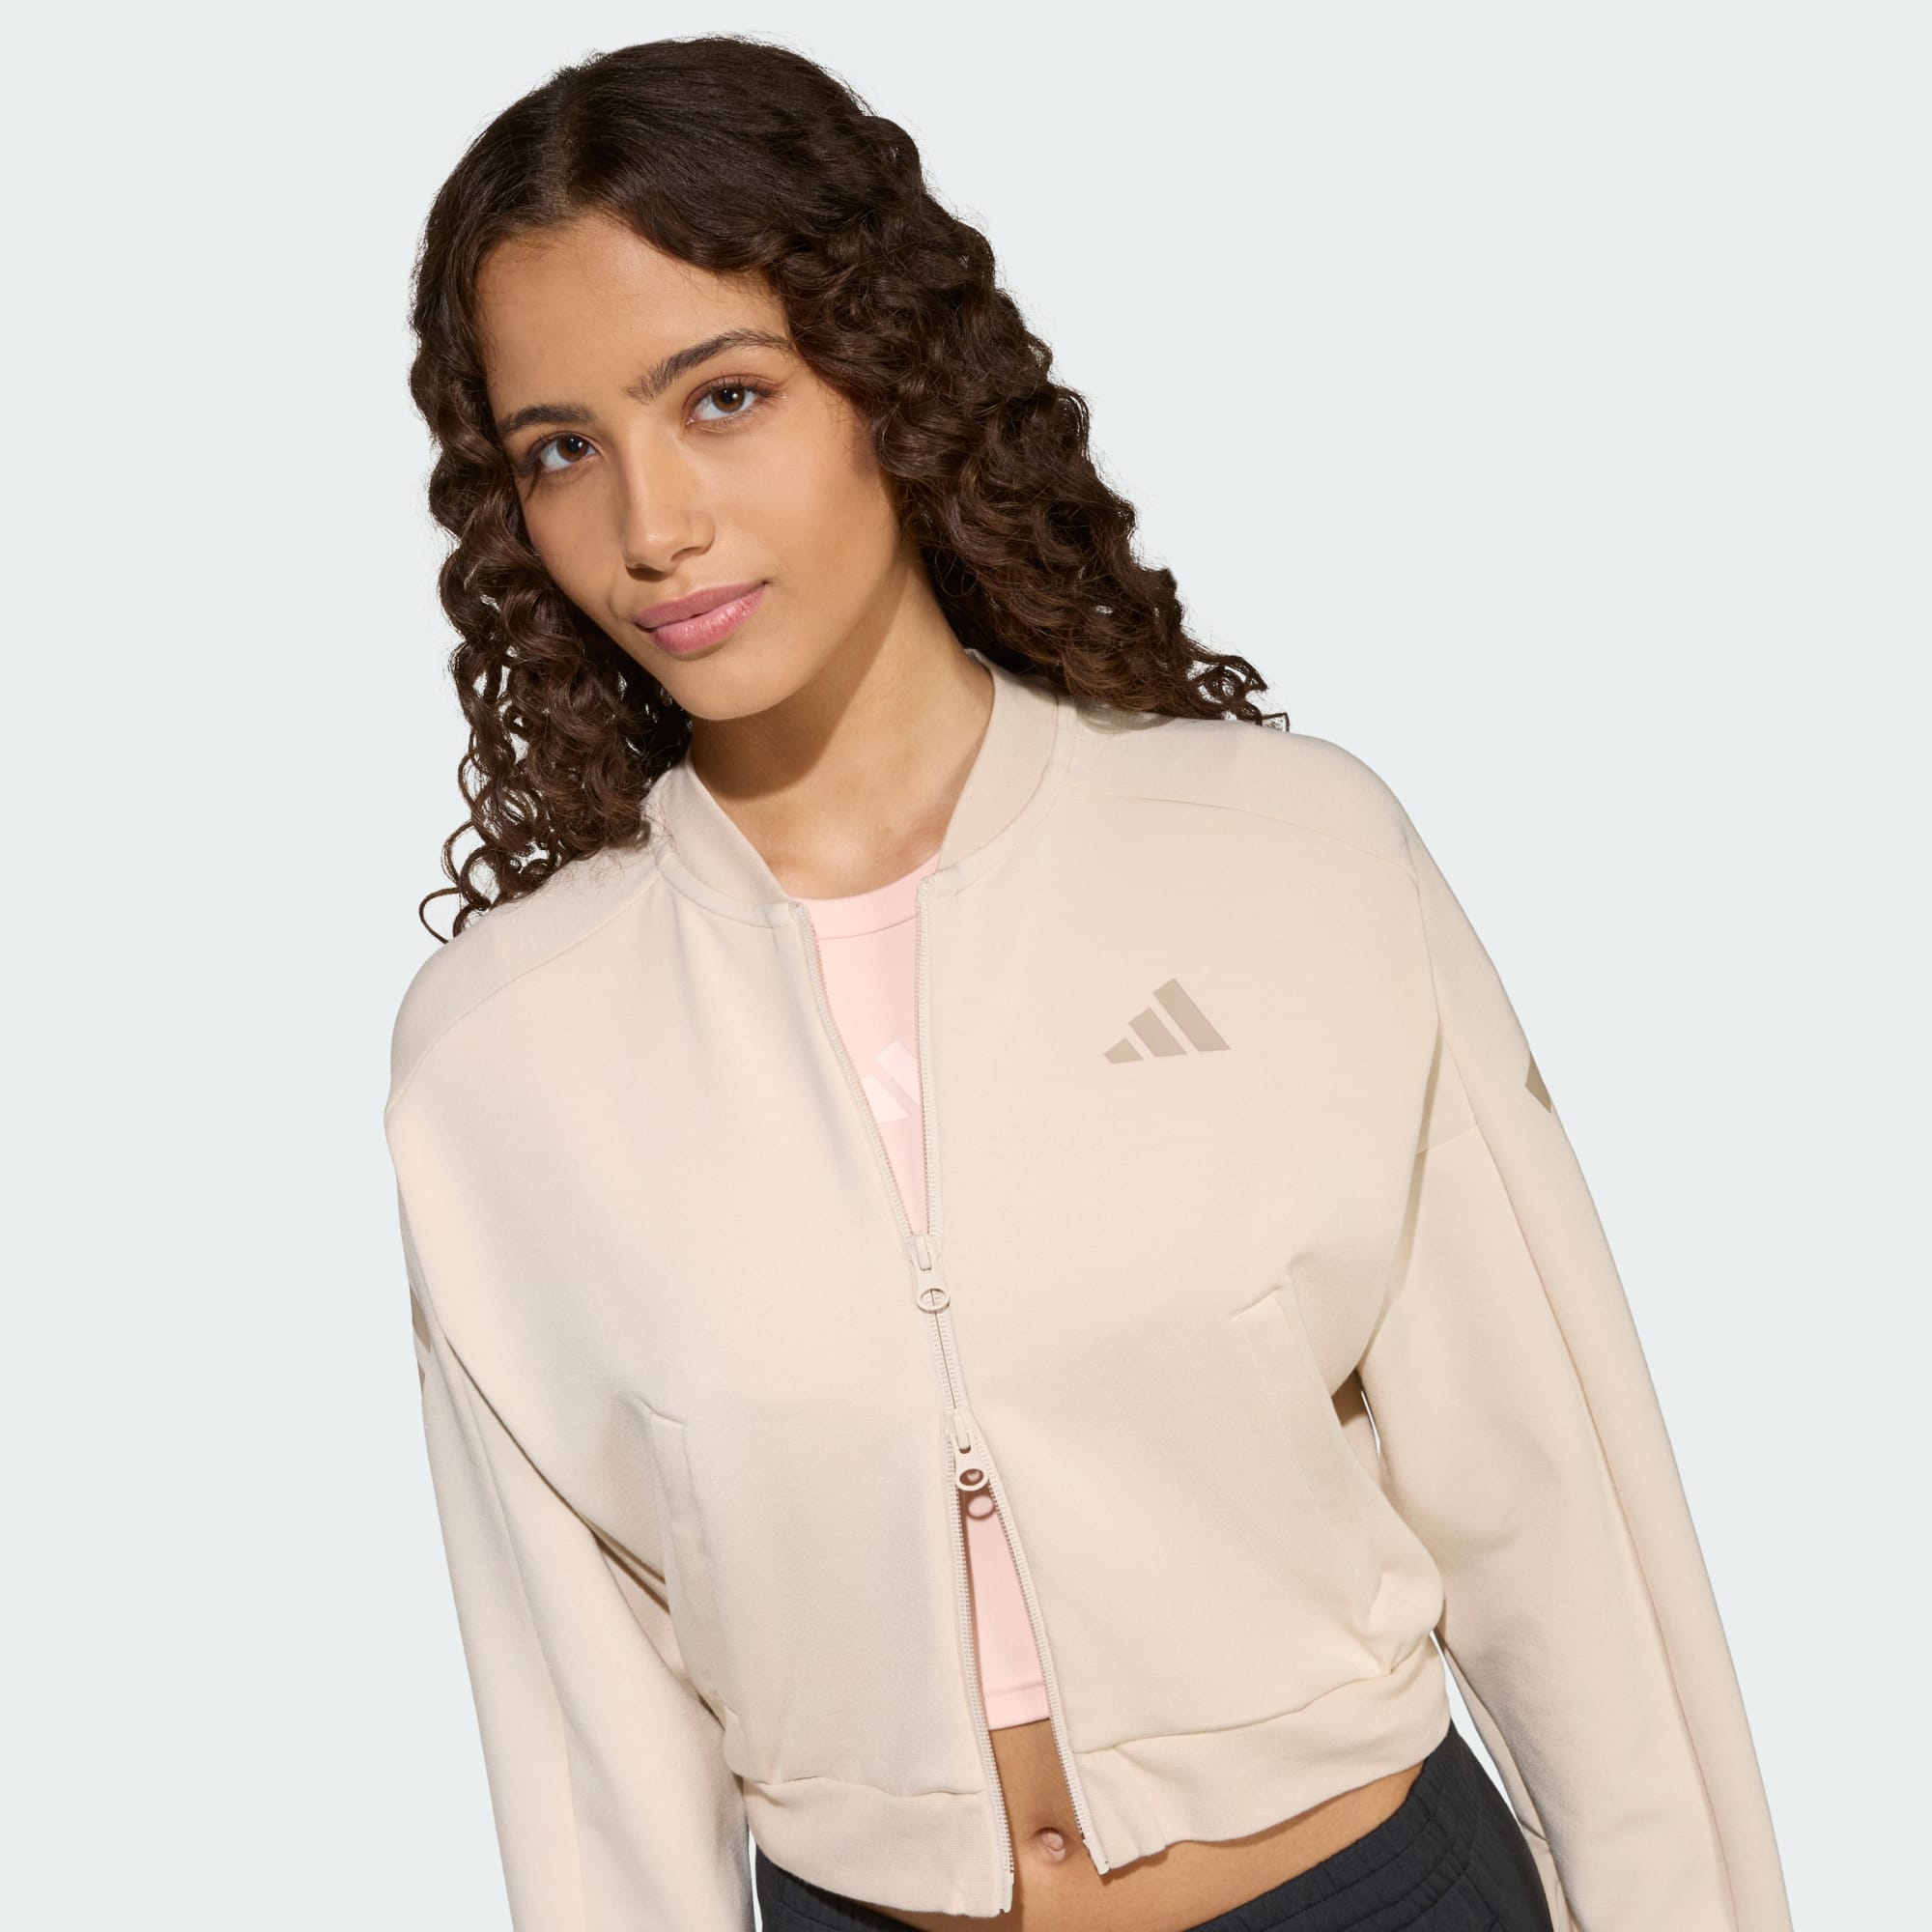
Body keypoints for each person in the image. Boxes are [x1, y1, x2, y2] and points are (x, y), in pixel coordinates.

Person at [383, 34, 1792, 1932]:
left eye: (725, 396)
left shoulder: (1287, 862)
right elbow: (585, 1746)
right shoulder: (507, 1053)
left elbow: (1563, 1530)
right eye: (562, 449)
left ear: (889, 381)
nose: (652, 527)